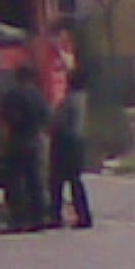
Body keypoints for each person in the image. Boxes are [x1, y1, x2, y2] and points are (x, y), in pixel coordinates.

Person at [0, 64, 50, 231]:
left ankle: (17, 219)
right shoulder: (39, 96)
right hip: (34, 140)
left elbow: (6, 119)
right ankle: (38, 217)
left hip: (16, 141)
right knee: (34, 181)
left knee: (14, 182)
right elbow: (46, 118)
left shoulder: (12, 95)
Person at [49, 69, 94, 229]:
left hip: (66, 143)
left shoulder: (69, 101)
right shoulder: (84, 100)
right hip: (79, 142)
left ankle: (55, 216)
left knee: (57, 181)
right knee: (75, 181)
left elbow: (58, 123)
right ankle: (84, 215)